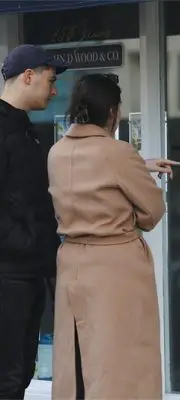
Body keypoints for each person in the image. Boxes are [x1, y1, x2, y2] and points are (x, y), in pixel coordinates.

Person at [47, 73, 175, 399]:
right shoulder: (118, 152)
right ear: (112, 111)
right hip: (115, 266)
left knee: (77, 359)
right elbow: (153, 212)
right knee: (121, 363)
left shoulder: (56, 152)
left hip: (71, 261)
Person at [0, 44, 68, 399]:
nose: (54, 91)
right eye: (51, 80)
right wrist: (24, 242)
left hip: (30, 271)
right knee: (9, 376)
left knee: (23, 370)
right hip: (9, 275)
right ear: (28, 76)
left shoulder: (26, 129)